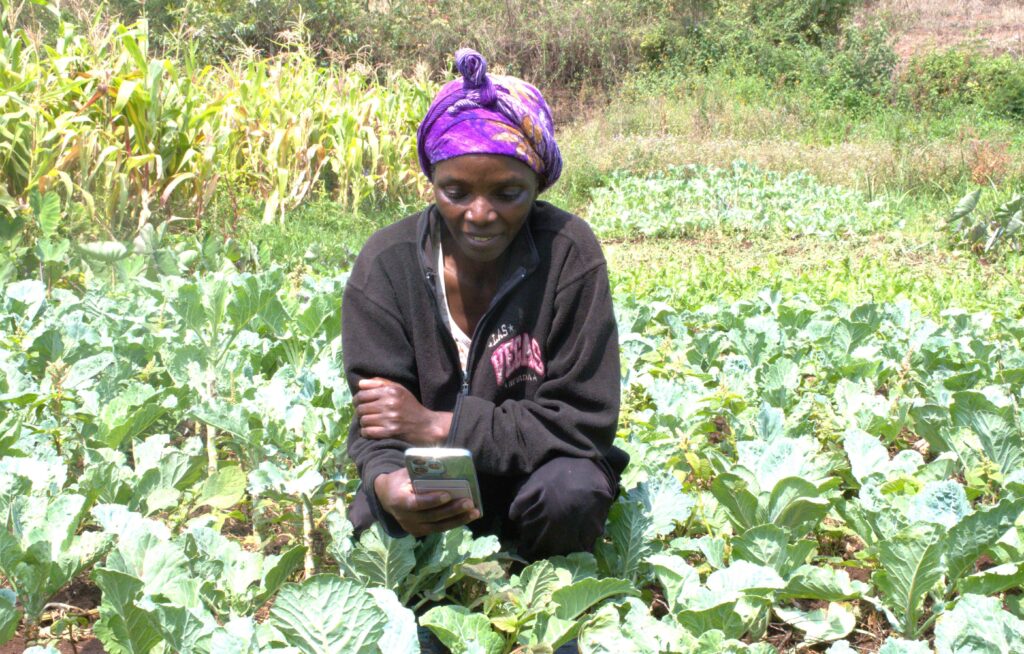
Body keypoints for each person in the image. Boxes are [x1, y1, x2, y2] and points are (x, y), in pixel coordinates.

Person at [342, 48, 628, 561]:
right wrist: (386, 482)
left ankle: (542, 588)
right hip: (439, 478)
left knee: (571, 493)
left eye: (507, 193)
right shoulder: (386, 265)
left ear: (537, 184)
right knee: (372, 519)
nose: (479, 214)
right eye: (455, 191)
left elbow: (583, 421)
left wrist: (441, 425)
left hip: (535, 474)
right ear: (432, 183)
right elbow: (379, 421)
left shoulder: (569, 253)